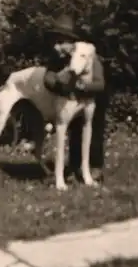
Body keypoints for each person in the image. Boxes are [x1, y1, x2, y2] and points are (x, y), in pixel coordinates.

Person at [44, 14, 108, 182]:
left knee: (93, 127)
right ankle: (73, 166)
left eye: (60, 43)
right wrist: (59, 81)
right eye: (54, 43)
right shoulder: (57, 60)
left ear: (72, 43)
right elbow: (48, 79)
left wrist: (85, 87)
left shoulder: (87, 55)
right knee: (74, 131)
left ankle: (94, 165)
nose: (56, 47)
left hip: (91, 97)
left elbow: (100, 83)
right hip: (70, 99)